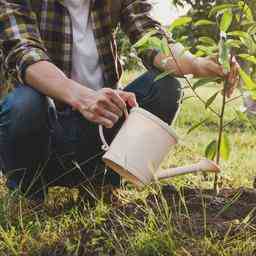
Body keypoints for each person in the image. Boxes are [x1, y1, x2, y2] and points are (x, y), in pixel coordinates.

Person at [0, 0, 239, 202]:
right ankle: (28, 195)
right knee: (24, 103)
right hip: (45, 133)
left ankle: (104, 182)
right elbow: (25, 53)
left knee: (164, 86)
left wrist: (197, 65)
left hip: (102, 129)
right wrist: (84, 98)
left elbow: (150, 34)